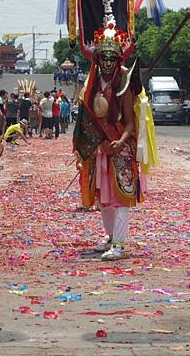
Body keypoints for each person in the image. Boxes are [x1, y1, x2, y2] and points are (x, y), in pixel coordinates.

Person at [73, 24, 158, 261]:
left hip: (120, 148)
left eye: (112, 58)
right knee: (104, 197)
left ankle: (119, 245)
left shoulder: (124, 82)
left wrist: (120, 142)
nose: (108, 63)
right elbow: (86, 118)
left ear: (118, 58)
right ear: (97, 59)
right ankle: (110, 237)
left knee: (121, 197)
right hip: (100, 148)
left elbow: (130, 122)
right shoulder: (91, 83)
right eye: (103, 58)